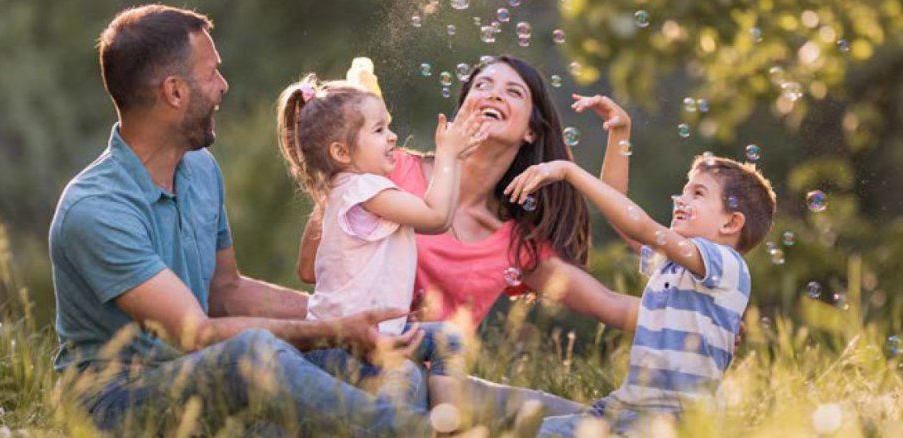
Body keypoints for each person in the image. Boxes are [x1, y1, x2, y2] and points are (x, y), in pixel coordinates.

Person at [48, 5, 436, 435]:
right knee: (254, 353)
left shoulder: (199, 169)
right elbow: (196, 333)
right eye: (212, 73)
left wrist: (358, 317)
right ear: (175, 92)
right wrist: (335, 329)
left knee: (385, 365)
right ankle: (419, 432)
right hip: (117, 403)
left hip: (203, 378)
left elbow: (226, 291)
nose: (223, 86)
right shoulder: (95, 209)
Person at [298, 56, 637, 417]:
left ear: (531, 132)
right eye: (482, 86)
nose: (493, 95)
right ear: (460, 112)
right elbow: (309, 268)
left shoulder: (513, 242)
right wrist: (340, 175)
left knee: (592, 420)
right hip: (368, 359)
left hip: (441, 385)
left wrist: (696, 310)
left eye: (512, 91)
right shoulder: (391, 171)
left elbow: (611, 305)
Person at [502, 151, 776, 434]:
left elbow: (641, 227)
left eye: (697, 193)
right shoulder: (675, 263)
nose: (680, 200)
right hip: (628, 408)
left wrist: (570, 172)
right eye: (684, 191)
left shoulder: (727, 263)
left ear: (731, 223)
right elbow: (621, 215)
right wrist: (620, 131)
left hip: (676, 418)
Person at [274, 71, 488, 418]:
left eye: (387, 126)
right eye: (379, 130)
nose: (393, 137)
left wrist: (455, 160)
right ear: (342, 152)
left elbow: (439, 214)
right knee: (402, 378)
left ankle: (447, 422)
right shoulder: (363, 189)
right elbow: (437, 218)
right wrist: (446, 156)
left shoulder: (344, 191)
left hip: (360, 337)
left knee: (449, 338)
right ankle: (404, 425)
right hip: (343, 347)